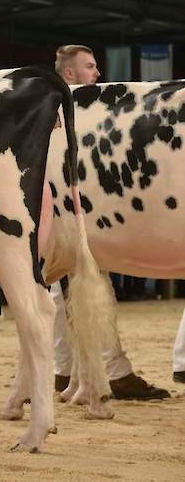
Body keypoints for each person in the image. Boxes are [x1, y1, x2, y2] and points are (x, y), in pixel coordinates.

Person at [52, 44, 168, 400]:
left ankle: (67, 371)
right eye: (89, 67)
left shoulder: (69, 110)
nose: (97, 73)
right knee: (72, 286)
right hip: (66, 209)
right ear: (69, 74)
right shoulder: (65, 111)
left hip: (73, 207)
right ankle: (105, 370)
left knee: (64, 289)